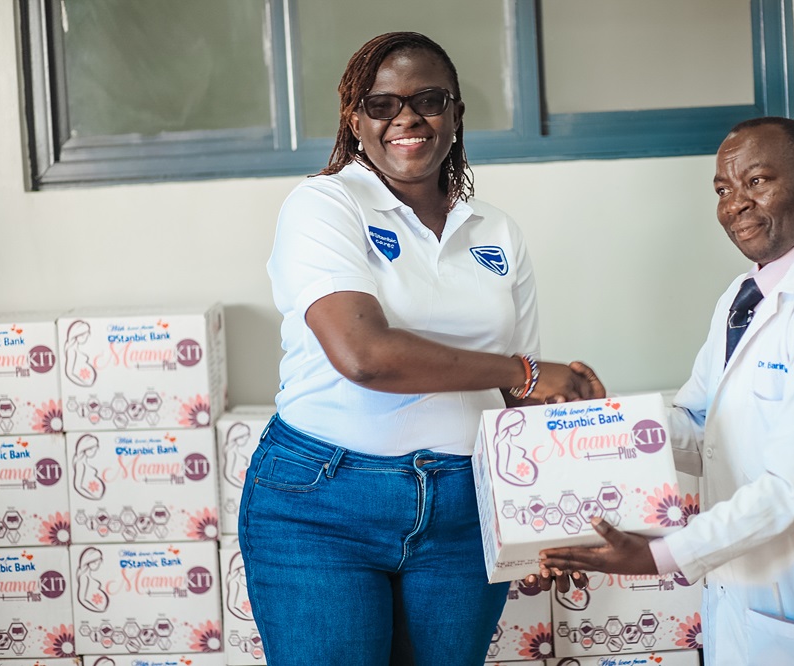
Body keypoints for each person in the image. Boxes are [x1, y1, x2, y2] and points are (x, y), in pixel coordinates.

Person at [239, 31, 604, 666]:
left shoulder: (496, 230)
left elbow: (518, 406)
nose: (406, 118)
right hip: (324, 505)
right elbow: (364, 355)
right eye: (382, 105)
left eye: (428, 100)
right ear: (355, 121)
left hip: (465, 509)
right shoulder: (324, 205)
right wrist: (522, 371)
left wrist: (549, 518)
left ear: (456, 115)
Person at [537, 117, 794, 665]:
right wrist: (607, 421)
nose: (735, 204)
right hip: (753, 594)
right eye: (723, 189)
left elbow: (787, 489)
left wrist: (660, 556)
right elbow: (704, 427)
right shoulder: (743, 297)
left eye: (757, 181)